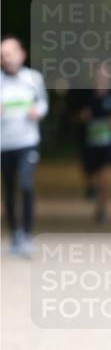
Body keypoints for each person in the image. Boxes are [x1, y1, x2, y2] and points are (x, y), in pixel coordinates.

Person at [0, 36, 49, 256]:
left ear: (22, 54)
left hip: (28, 142)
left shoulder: (33, 78)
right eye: (2, 55)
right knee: (9, 190)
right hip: (4, 144)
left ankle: (28, 235)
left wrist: (37, 112)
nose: (6, 58)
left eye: (9, 53)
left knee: (26, 185)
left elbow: (43, 103)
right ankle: (15, 235)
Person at [76, 62, 111, 223]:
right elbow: (75, 116)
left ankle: (103, 209)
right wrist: (82, 116)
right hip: (89, 143)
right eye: (99, 73)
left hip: (109, 144)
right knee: (93, 176)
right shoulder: (85, 95)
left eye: (105, 73)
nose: (102, 76)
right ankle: (92, 187)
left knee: (106, 176)